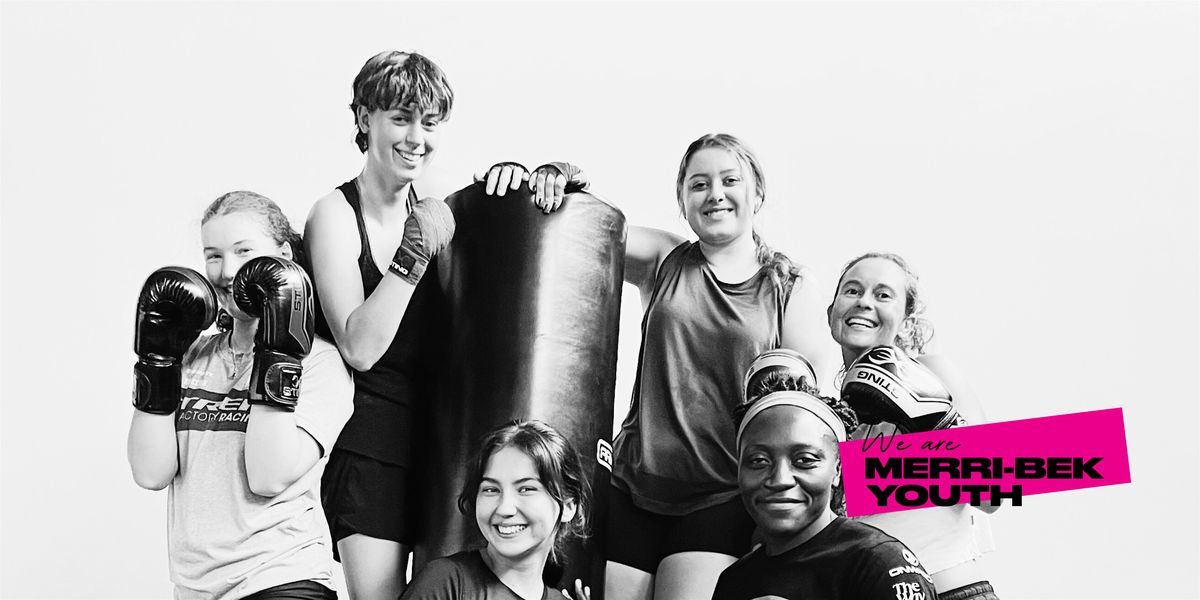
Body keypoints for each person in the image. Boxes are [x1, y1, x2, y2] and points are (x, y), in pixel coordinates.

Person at [482, 134, 835, 600]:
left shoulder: (790, 286)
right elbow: (582, 223)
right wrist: (548, 181)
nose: (715, 194)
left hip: (721, 495)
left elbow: (806, 416)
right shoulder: (665, 258)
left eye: (730, 181)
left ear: (757, 194)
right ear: (683, 201)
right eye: (699, 184)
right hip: (633, 484)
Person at [127, 190, 354, 599]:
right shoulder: (192, 354)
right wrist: (156, 359)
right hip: (196, 588)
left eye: (243, 251)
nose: (227, 271)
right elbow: (151, 472)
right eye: (213, 255)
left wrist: (279, 350)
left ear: (283, 256)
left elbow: (268, 476)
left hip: (281, 577)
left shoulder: (320, 363)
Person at [303, 50, 456, 600]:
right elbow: (359, 346)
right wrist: (411, 258)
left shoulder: (438, 207)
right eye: (401, 118)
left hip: (444, 445)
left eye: (430, 123)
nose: (417, 138)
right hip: (370, 446)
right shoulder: (335, 215)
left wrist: (543, 187)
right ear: (365, 118)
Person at [828, 252, 999, 600]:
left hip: (953, 592)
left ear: (906, 322)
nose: (864, 302)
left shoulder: (933, 372)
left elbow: (992, 491)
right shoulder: (827, 415)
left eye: (883, 294)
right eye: (852, 290)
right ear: (831, 312)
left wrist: (933, 424)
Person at [711, 355, 937, 600]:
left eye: (804, 460)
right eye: (758, 461)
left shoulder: (877, 562)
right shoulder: (733, 580)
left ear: (837, 470)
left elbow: (971, 474)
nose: (779, 479)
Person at [402, 420, 592, 600]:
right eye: (491, 490)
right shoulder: (445, 583)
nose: (504, 508)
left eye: (526, 489)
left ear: (568, 507)